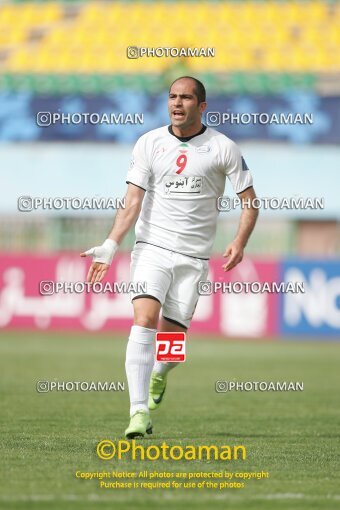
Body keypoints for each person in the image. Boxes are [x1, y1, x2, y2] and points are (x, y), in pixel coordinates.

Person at [81, 76, 259, 439]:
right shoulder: (149, 143)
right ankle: (138, 412)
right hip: (152, 249)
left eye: (187, 98)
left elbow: (250, 202)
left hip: (193, 259)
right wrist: (111, 243)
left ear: (202, 106)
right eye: (173, 97)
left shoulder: (223, 148)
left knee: (171, 350)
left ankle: (159, 375)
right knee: (144, 318)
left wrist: (239, 241)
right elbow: (133, 201)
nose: (177, 103)